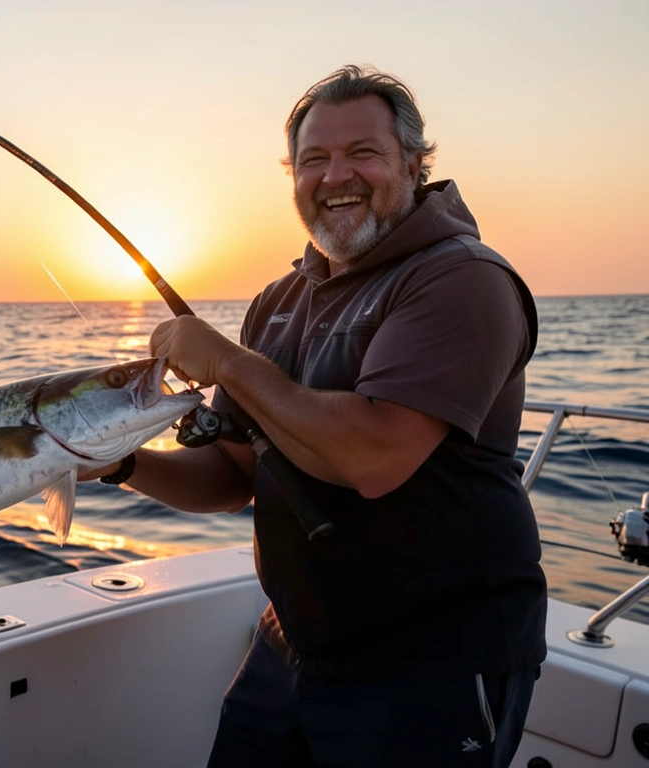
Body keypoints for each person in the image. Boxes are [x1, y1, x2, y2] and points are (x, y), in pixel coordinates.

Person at [84, 65, 546, 766]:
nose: (336, 176)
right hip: (294, 645)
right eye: (313, 160)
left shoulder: (462, 280)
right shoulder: (278, 300)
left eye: (363, 153)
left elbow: (373, 459)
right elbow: (234, 475)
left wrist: (232, 363)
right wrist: (123, 464)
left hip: (436, 660)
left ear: (415, 165)